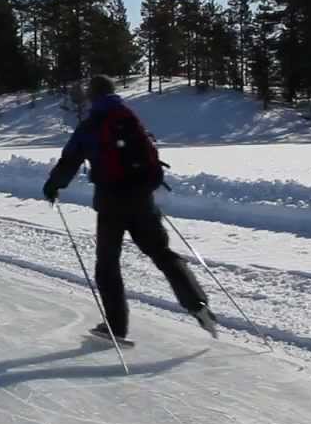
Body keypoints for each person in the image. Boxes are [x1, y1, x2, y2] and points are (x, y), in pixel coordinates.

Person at [42, 75, 217, 342]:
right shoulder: (128, 116)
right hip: (141, 199)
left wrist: (53, 186)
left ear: (92, 97)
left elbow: (71, 159)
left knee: (108, 265)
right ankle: (198, 305)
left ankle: (116, 327)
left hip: (111, 203)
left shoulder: (91, 125)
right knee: (162, 253)